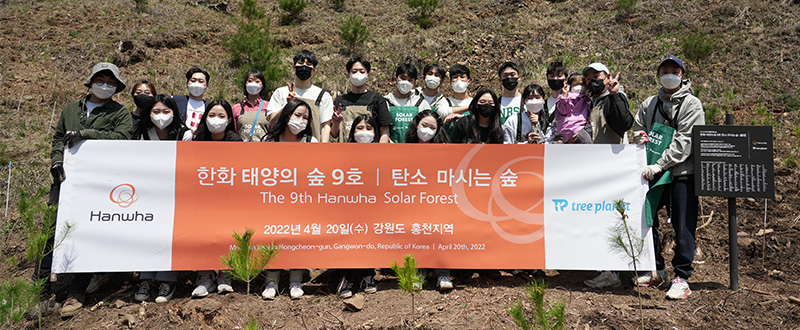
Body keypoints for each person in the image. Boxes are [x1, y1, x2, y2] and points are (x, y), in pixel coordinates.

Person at [46, 62, 133, 317]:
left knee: (88, 231)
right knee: (52, 229)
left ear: (116, 87)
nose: (105, 86)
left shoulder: (120, 112)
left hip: (100, 182)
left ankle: (77, 290)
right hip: (66, 180)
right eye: (101, 80)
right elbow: (58, 139)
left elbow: (123, 138)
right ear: (90, 81)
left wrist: (86, 133)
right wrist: (55, 161)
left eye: (110, 82)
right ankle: (41, 289)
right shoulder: (71, 109)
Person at [632, 56, 704, 300]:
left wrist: (660, 164)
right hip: (652, 172)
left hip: (681, 173)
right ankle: (657, 269)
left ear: (682, 75)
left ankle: (681, 277)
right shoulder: (649, 103)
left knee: (683, 225)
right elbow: (638, 128)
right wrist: (638, 138)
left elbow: (686, 142)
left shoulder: (692, 105)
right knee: (646, 217)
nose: (669, 74)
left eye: (675, 70)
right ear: (658, 75)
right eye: (665, 70)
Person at [260, 99, 316, 299]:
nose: (300, 121)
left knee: (298, 237)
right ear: (287, 115)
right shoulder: (269, 141)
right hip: (273, 200)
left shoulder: (311, 142)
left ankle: (295, 280)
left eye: (305, 117)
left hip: (302, 201)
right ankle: (271, 281)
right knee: (273, 237)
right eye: (297, 115)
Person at [189, 100, 240, 298]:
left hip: (227, 199)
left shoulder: (235, 141)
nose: (216, 120)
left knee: (226, 236)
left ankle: (226, 275)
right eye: (212, 115)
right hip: (201, 199)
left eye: (221, 116)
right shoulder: (197, 139)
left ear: (229, 120)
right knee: (204, 236)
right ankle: (205, 277)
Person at [266, 50, 335, 142]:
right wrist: (287, 105)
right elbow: (272, 121)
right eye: (301, 63)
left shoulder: (323, 96)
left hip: (311, 148)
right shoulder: (281, 92)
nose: (304, 67)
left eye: (308, 64)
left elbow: (325, 126)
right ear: (294, 67)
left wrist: (323, 149)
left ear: (314, 70)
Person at [330, 57, 392, 143]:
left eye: (362, 71)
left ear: (367, 75)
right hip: (345, 152)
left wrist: (380, 151)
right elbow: (334, 134)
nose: (358, 74)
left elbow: (385, 132)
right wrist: (336, 123)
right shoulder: (340, 101)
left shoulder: (377, 99)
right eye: (354, 71)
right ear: (349, 75)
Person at [581, 62, 633, 144]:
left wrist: (614, 95)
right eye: (588, 79)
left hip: (612, 155)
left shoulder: (614, 99)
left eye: (596, 76)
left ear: (608, 77)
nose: (593, 81)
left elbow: (623, 125)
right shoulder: (589, 104)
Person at [384, 63, 431, 142]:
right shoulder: (385, 102)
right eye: (403, 78)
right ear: (395, 80)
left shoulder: (421, 103)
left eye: (410, 80)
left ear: (414, 84)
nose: (406, 82)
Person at [232, 69, 269, 142]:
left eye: (257, 81)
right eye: (250, 81)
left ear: (262, 86)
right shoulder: (236, 108)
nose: (253, 83)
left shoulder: (269, 106)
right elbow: (234, 131)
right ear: (245, 84)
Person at [555, 73, 592, 144]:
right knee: (587, 142)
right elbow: (563, 110)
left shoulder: (586, 99)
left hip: (580, 127)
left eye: (582, 85)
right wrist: (565, 97)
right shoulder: (565, 97)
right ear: (570, 86)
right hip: (571, 127)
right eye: (575, 85)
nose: (579, 87)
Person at [173, 67, 210, 136]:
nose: (196, 83)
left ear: (206, 86)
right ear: (187, 84)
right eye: (193, 80)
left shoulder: (210, 107)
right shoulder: (175, 101)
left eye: (201, 81)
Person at [545, 60, 568, 131]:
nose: (555, 79)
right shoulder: (543, 103)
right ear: (547, 79)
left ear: (566, 79)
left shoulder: (571, 101)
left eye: (559, 76)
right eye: (552, 76)